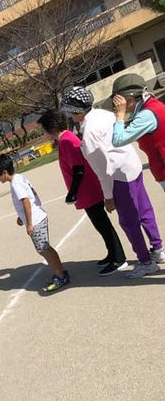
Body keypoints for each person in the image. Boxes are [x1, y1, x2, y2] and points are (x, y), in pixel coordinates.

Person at [61, 86, 162, 279]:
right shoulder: (103, 114)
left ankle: (145, 261)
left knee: (129, 221)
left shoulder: (89, 132)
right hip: (131, 165)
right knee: (144, 210)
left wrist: (108, 197)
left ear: (75, 110)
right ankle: (158, 249)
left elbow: (102, 170)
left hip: (118, 176)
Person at [37, 109, 127, 276]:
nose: (43, 133)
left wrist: (73, 192)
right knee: (100, 224)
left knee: (102, 224)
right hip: (87, 190)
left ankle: (119, 258)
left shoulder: (66, 141)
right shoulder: (65, 138)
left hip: (88, 190)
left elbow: (78, 168)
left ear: (51, 128)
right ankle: (112, 253)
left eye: (43, 129)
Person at [0, 154, 70, 293]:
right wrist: (21, 217)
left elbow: (26, 202)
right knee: (46, 248)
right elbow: (29, 200)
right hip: (37, 216)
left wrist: (29, 223)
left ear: (4, 172)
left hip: (36, 220)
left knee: (43, 249)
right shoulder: (18, 178)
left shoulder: (15, 183)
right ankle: (60, 272)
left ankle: (60, 276)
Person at [110, 73, 165, 204]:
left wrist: (120, 115)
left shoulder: (147, 115)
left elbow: (118, 140)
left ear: (129, 99)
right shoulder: (150, 107)